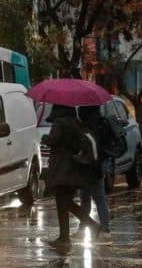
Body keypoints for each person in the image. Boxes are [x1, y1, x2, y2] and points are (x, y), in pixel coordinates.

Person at [42, 105, 101, 251]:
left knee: (63, 202)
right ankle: (65, 236)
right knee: (65, 203)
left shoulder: (60, 123)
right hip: (73, 168)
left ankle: (77, 231)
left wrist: (45, 138)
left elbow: (53, 140)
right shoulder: (76, 123)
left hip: (62, 168)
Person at [77, 105, 112, 242]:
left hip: (88, 167)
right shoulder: (102, 124)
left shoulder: (85, 127)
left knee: (85, 199)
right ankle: (105, 229)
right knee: (99, 199)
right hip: (99, 166)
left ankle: (84, 226)